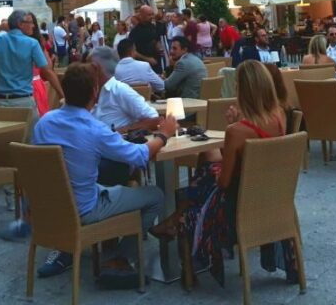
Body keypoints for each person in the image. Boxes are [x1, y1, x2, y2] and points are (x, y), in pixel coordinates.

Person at [154, 60, 294, 287]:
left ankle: (178, 223)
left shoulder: (236, 132)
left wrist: (233, 128)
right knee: (207, 164)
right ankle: (175, 219)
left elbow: (224, 182)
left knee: (203, 179)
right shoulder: (280, 116)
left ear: (242, 90)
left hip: (235, 209)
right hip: (269, 198)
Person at [33, 63, 176, 279]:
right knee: (155, 196)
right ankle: (120, 257)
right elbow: (140, 156)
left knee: (105, 181)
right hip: (84, 209)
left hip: (49, 208)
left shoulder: (44, 123)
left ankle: (75, 249)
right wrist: (164, 134)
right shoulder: (95, 129)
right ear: (94, 93)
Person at [0, 10, 64, 141]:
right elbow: (47, 71)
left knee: (5, 143)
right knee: (29, 144)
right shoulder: (32, 43)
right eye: (30, 23)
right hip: (24, 102)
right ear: (21, 24)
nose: (33, 26)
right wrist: (61, 94)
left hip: (2, 102)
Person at [91, 46, 160, 134]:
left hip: (116, 145)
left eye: (87, 66)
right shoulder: (89, 91)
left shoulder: (119, 90)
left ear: (97, 69)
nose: (84, 70)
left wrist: (117, 132)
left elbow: (154, 119)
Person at [27, 12, 52, 117]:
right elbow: (48, 65)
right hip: (35, 83)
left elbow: (48, 66)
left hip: (33, 84)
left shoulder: (36, 41)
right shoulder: (37, 40)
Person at [128, 5, 161, 73]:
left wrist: (159, 48)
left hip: (156, 65)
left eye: (152, 14)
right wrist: (148, 59)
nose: (152, 17)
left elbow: (156, 40)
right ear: (141, 15)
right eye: (149, 15)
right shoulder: (135, 32)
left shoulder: (153, 27)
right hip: (142, 66)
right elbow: (132, 51)